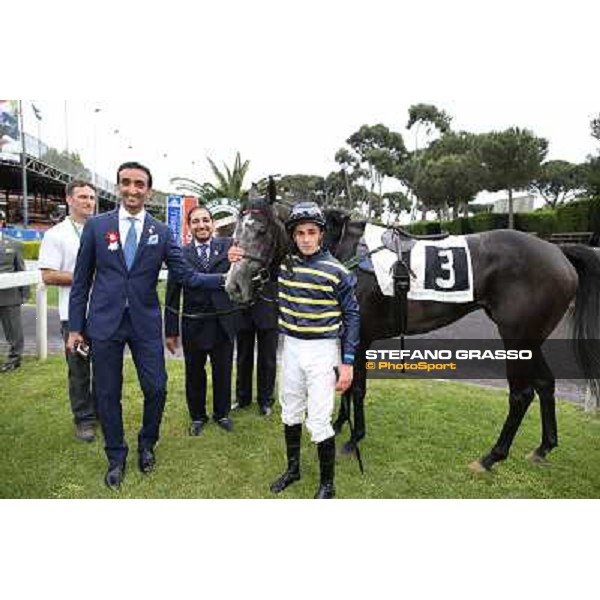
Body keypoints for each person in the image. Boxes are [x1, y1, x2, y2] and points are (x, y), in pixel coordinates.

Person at [68, 162, 226, 492]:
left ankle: (147, 444)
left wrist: (228, 279)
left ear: (148, 191)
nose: (132, 189)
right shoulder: (97, 227)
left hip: (144, 323)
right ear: (118, 186)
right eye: (126, 183)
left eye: (139, 184)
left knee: (156, 388)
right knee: (107, 393)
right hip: (104, 324)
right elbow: (81, 281)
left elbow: (188, 277)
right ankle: (116, 456)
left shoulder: (162, 232)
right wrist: (75, 328)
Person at [229, 201, 360, 498]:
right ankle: (293, 469)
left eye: (311, 232)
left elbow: (353, 316)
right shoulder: (284, 265)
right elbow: (256, 248)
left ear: (321, 235)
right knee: (290, 412)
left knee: (319, 419)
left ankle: (328, 484)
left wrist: (348, 362)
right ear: (292, 236)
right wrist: (235, 255)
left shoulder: (337, 271)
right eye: (299, 233)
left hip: (323, 352)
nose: (305, 238)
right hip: (291, 348)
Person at [165, 206, 237, 435]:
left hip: (223, 322)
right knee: (194, 373)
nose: (202, 225)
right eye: (196, 221)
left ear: (213, 224)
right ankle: (197, 416)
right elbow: (172, 294)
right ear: (189, 227)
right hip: (194, 324)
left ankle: (222, 413)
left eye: (206, 220)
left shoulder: (229, 247)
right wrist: (170, 331)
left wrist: (241, 258)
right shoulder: (180, 254)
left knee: (223, 371)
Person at [38, 180, 98, 442]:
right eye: (83, 197)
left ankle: (104, 413)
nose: (89, 202)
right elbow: (48, 276)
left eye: (92, 198)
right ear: (69, 200)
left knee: (107, 370)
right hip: (74, 317)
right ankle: (84, 420)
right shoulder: (56, 234)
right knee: (79, 370)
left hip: (106, 314)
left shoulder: (103, 230)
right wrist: (85, 276)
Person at [235, 271, 278, 416]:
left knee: (267, 358)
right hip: (243, 307)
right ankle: (242, 398)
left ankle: (266, 400)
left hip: (268, 306)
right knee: (243, 356)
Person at [0, 224, 29, 373]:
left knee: (13, 330)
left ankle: (14, 359)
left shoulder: (14, 244)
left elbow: (21, 269)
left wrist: (24, 293)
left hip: (9, 296)